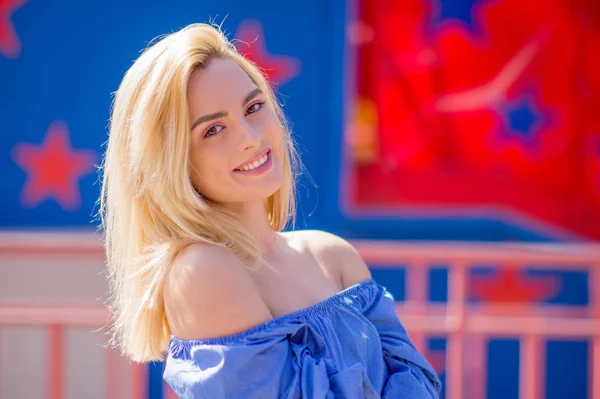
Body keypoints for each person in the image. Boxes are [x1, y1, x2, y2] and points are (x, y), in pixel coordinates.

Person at [99, 22, 441, 398]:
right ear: (171, 162)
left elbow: (421, 386)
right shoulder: (201, 271)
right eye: (213, 130)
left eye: (254, 107)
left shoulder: (332, 254)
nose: (251, 137)